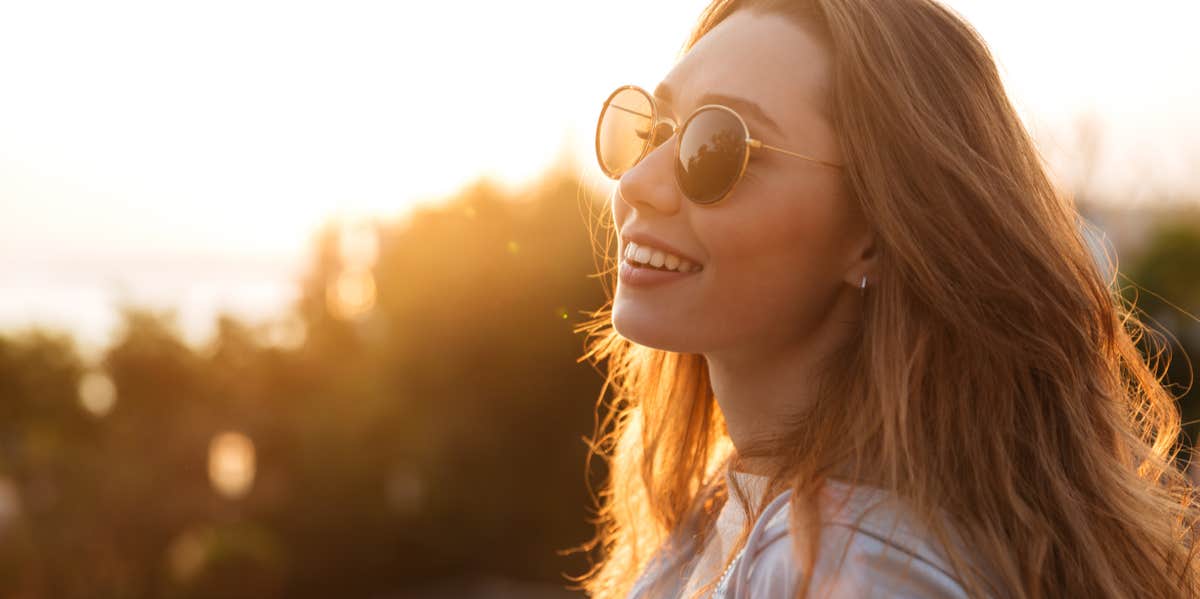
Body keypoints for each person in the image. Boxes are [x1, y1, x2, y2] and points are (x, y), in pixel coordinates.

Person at [570, 0, 1200, 597]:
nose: (637, 182)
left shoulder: (847, 564)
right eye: (654, 128)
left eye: (716, 147)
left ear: (874, 233)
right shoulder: (743, 504)